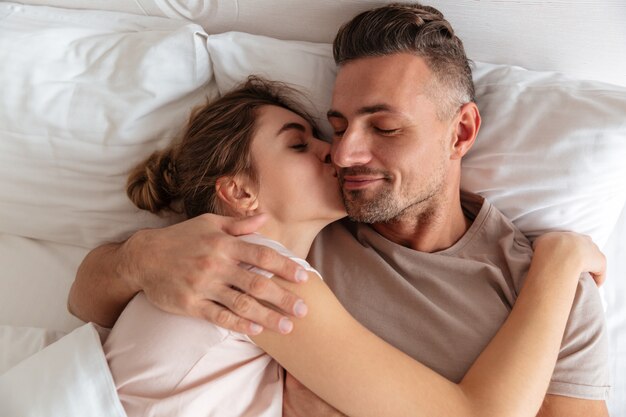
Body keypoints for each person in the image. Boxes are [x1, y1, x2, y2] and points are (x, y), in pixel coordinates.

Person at [69, 3, 610, 416]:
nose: (345, 153)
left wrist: (556, 267)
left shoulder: (545, 289)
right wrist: (138, 257)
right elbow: (88, 294)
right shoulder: (283, 244)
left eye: (386, 127)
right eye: (338, 125)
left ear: (461, 131)